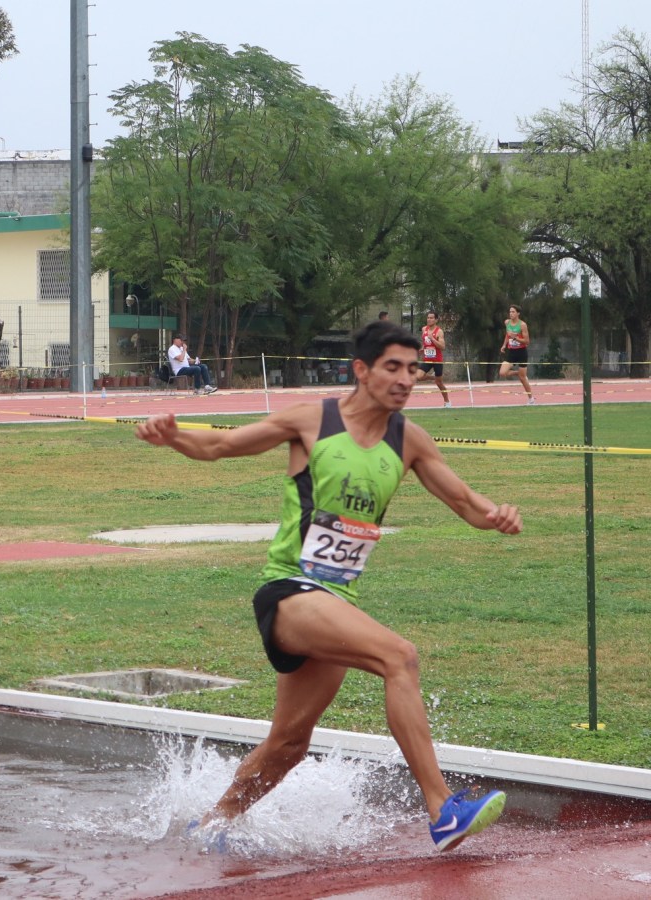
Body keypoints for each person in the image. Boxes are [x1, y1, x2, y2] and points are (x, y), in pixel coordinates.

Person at [136, 320, 520, 853]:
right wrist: (172, 435)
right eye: (393, 367)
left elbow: (464, 503)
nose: (406, 379)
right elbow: (223, 446)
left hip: (336, 602)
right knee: (399, 657)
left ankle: (212, 824)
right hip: (289, 592)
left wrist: (494, 516)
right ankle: (441, 809)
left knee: (289, 744)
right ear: (361, 370)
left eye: (413, 369)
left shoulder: (409, 439)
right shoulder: (312, 420)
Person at [498, 305, 534, 404]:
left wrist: (516, 338)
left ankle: (531, 399)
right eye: (510, 312)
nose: (511, 314)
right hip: (512, 352)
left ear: (518, 313)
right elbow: (507, 334)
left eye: (513, 312)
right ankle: (517, 373)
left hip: (521, 352)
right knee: (502, 373)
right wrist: (504, 345)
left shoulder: (522, 325)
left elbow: (527, 341)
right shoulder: (507, 322)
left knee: (523, 379)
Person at [415, 310, 451, 407]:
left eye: (431, 318)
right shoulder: (424, 329)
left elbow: (442, 347)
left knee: (439, 383)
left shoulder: (439, 331)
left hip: (437, 360)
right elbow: (425, 342)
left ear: (436, 320)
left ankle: (447, 401)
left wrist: (433, 339)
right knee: (418, 377)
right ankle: (433, 377)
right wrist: (423, 348)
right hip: (427, 359)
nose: (429, 319)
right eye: (428, 318)